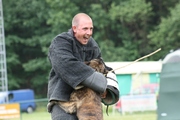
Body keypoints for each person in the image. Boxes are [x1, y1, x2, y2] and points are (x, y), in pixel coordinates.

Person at [47, 13, 119, 120]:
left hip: (88, 101)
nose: (89, 33)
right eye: (85, 29)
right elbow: (66, 64)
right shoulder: (61, 42)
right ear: (74, 28)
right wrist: (99, 82)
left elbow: (101, 65)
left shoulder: (92, 45)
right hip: (63, 100)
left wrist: (107, 88)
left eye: (91, 29)